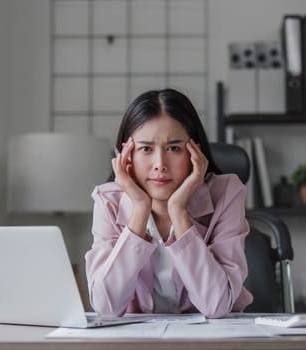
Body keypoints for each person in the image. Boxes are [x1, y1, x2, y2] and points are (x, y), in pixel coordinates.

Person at [85, 88, 253, 318]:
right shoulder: (108, 200)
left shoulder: (227, 193)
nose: (160, 164)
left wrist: (179, 211)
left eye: (174, 148)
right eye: (146, 149)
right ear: (125, 155)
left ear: (196, 152)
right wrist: (140, 210)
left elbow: (217, 305)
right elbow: (106, 307)